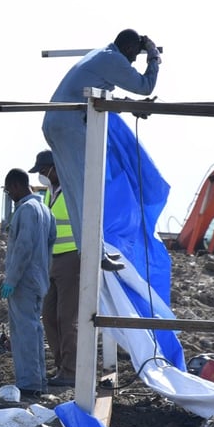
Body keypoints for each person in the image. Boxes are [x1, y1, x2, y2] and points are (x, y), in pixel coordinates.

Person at [41, 28, 160, 270]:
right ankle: (94, 252)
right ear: (128, 48)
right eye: (134, 56)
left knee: (77, 190)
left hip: (56, 123)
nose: (132, 62)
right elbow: (145, 86)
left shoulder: (101, 56)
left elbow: (99, 98)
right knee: (88, 189)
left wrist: (133, 107)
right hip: (69, 125)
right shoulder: (113, 59)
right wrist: (153, 57)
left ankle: (93, 249)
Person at [0, 168, 55, 397]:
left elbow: (23, 248)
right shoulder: (45, 210)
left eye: (9, 190)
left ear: (15, 185)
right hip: (39, 279)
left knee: (24, 333)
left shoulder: (25, 210)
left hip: (24, 281)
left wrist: (11, 279)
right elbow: (50, 244)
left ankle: (28, 383)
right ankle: (38, 380)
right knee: (34, 331)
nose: (10, 195)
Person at [30, 151, 78, 388]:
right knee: (49, 316)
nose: (42, 176)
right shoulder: (51, 192)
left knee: (66, 318)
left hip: (72, 258)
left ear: (56, 168)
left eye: (44, 171)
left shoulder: (73, 190)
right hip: (52, 259)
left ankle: (71, 371)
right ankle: (61, 367)